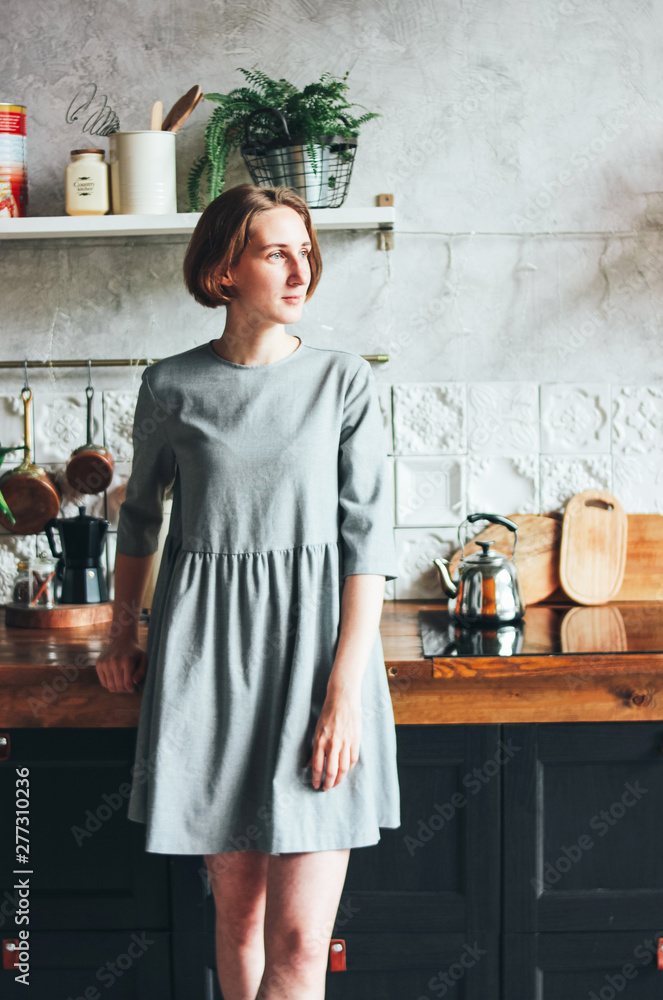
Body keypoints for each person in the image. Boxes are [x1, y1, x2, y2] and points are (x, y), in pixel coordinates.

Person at [95, 183, 400, 1000]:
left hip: (314, 666)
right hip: (208, 668)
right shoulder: (171, 387)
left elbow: (367, 546)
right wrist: (123, 632)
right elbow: (138, 522)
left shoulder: (344, 383)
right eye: (276, 251)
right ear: (225, 270)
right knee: (237, 922)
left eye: (306, 250)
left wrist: (342, 698)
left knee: (300, 945)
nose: (300, 269)